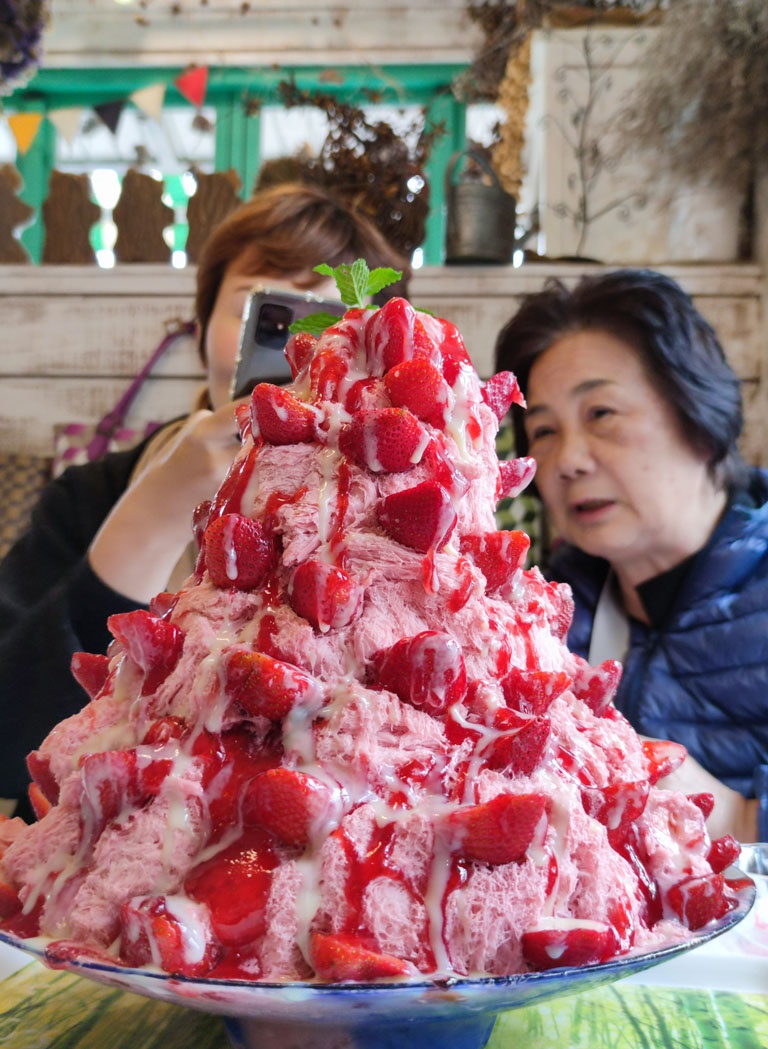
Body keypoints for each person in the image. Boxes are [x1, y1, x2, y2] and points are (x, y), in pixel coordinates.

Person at [0, 182, 409, 817]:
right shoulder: (94, 497)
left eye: (333, 324)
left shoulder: (392, 527)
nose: (303, 346)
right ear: (202, 323)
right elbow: (12, 741)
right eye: (266, 312)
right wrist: (155, 515)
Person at [494, 268, 768, 843]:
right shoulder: (543, 614)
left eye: (601, 414)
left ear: (700, 415)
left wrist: (742, 819)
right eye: (543, 431)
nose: (567, 460)